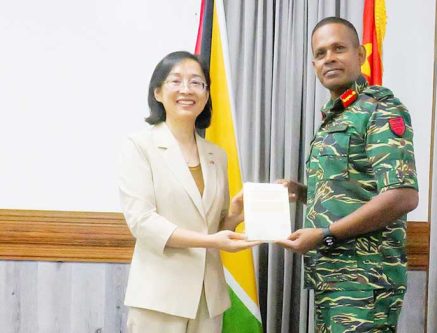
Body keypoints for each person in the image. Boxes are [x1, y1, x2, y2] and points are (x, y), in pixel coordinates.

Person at [277, 17, 419, 332]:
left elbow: (402, 196)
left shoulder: (379, 110)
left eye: (339, 48)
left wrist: (327, 234)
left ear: (361, 54)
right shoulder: (336, 117)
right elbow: (353, 188)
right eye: (321, 52)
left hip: (365, 281)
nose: (329, 58)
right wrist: (300, 191)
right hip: (333, 276)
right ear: (314, 64)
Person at [118, 51, 259, 333]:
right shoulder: (139, 146)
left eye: (197, 82)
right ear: (158, 92)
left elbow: (214, 228)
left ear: (206, 95)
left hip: (208, 297)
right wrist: (212, 242)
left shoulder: (216, 155)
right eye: (176, 81)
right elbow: (143, 223)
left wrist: (233, 216)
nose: (187, 89)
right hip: (160, 297)